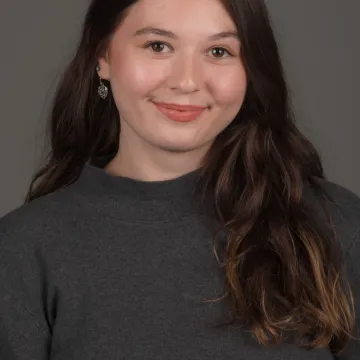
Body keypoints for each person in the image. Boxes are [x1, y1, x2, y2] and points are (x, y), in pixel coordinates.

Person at [0, 0, 359, 358]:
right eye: (158, 46)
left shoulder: (334, 224)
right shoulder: (22, 250)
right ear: (103, 56)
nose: (187, 81)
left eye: (219, 51)